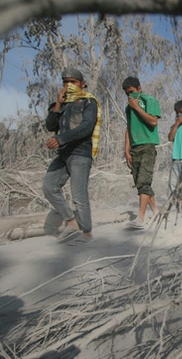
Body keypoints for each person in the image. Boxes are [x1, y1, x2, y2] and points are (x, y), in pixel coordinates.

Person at [42, 67, 101, 244]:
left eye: (73, 82)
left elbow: (86, 127)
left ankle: (87, 233)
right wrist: (58, 104)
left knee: (78, 195)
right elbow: (50, 126)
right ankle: (71, 222)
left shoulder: (88, 102)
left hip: (80, 153)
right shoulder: (63, 104)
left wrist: (61, 138)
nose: (68, 86)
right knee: (49, 186)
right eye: (65, 82)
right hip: (64, 154)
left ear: (82, 84)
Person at [123, 76, 161, 229]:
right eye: (127, 94)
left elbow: (153, 121)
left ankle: (141, 218)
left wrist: (137, 107)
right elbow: (128, 128)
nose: (130, 96)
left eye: (132, 92)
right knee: (140, 184)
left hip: (147, 145)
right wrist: (126, 150)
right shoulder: (128, 108)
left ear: (139, 89)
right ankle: (157, 212)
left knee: (144, 182)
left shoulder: (150, 101)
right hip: (134, 148)